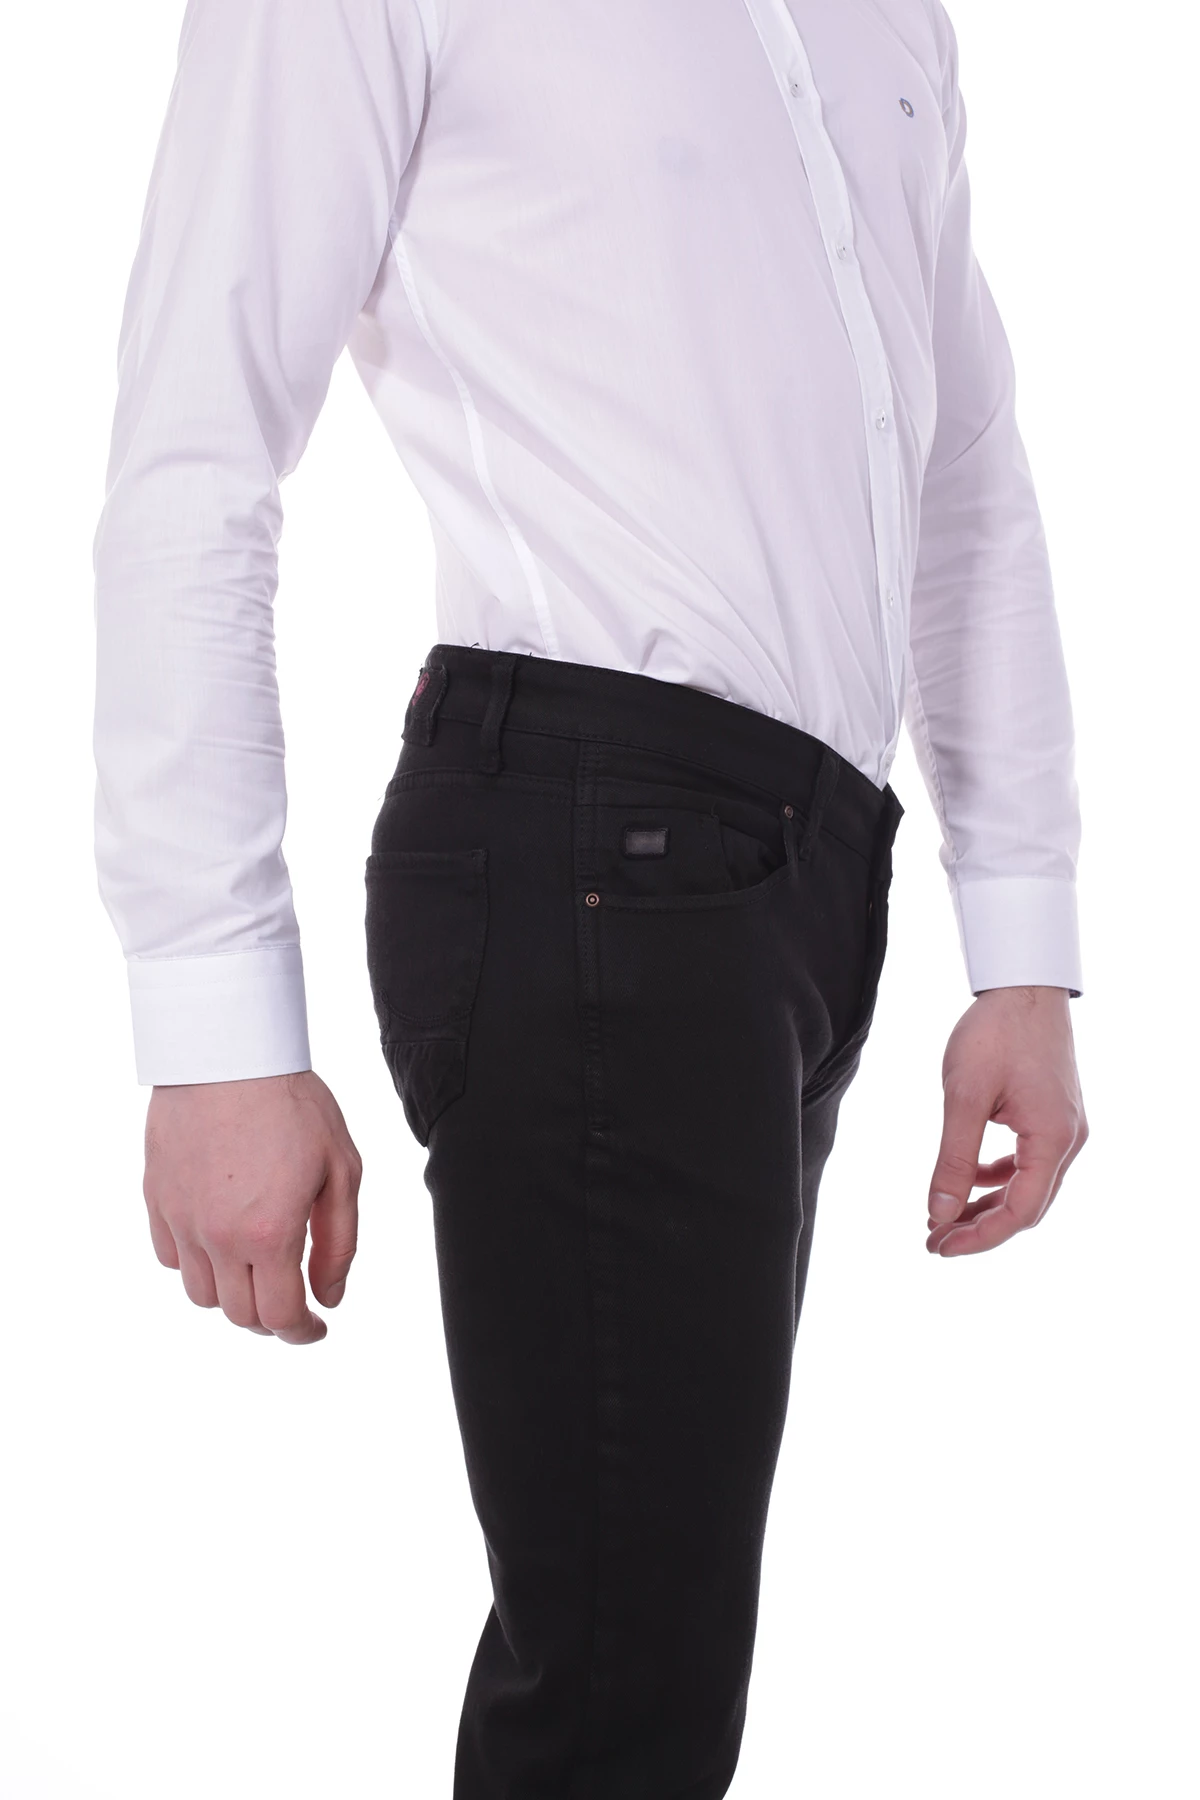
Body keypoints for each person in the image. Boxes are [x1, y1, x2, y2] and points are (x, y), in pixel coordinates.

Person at [92, 1, 1089, 1793]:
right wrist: (213, 1016)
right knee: (626, 1696)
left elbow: (964, 478)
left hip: (801, 874)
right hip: (588, 846)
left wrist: (1019, 943)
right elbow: (195, 451)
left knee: (658, 1659)